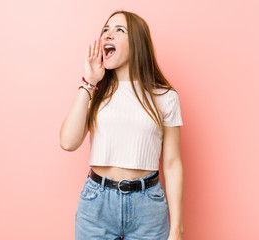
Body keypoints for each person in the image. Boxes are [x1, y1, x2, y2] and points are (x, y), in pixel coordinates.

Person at [60, 10, 184, 240]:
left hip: (148, 206)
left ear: (137, 43)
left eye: (119, 30)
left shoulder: (165, 96)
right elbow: (68, 142)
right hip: (96, 205)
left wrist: (177, 228)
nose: (108, 34)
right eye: (105, 29)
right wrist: (88, 83)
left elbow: (172, 163)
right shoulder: (97, 92)